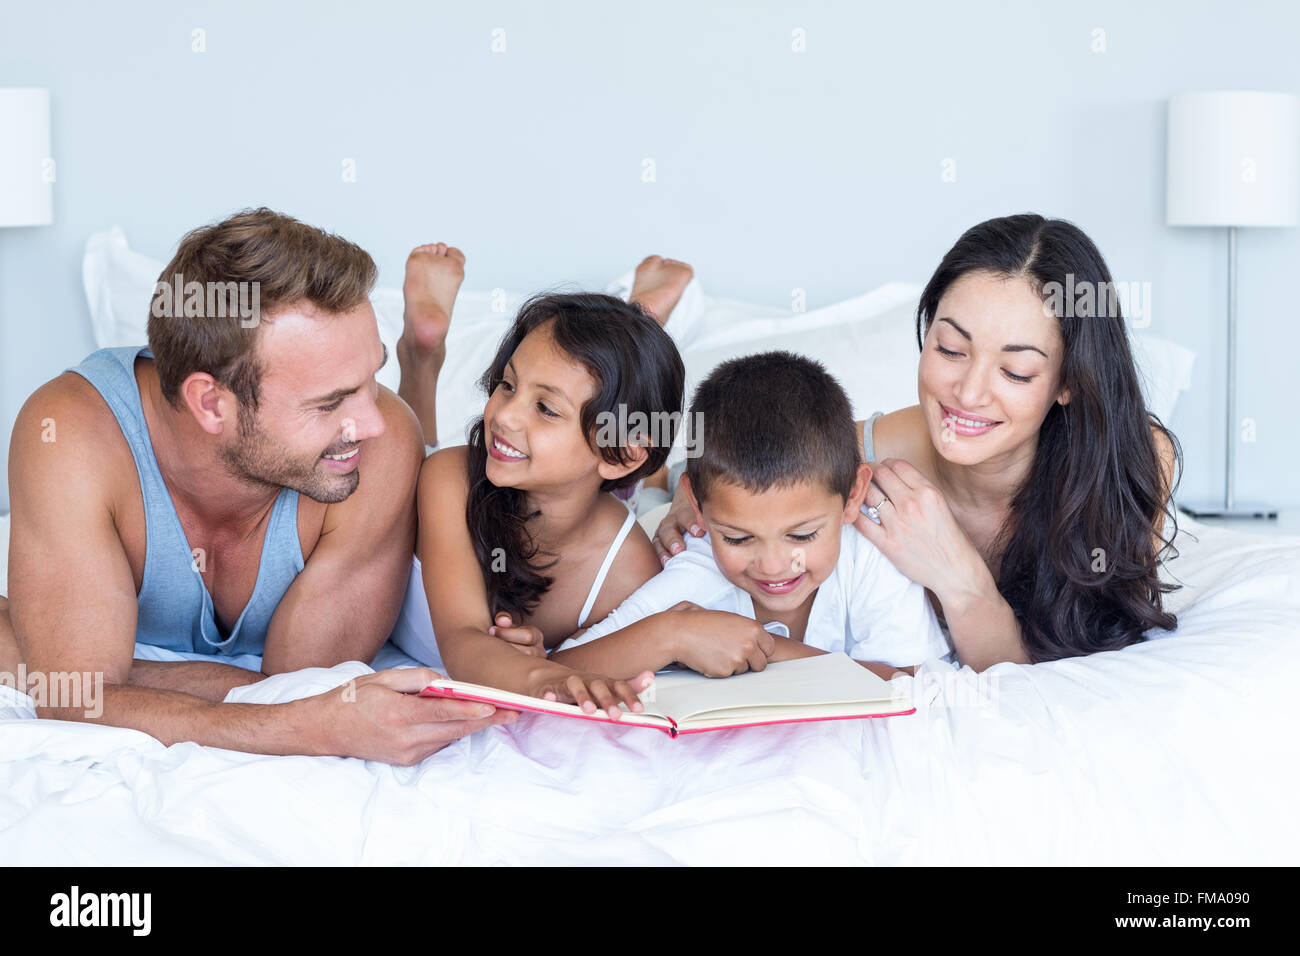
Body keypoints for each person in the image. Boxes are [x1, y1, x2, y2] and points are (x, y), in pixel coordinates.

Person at [0, 208, 514, 764]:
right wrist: (300, 727)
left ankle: (420, 363)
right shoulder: (69, 435)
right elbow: (80, 704)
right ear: (210, 403)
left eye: (371, 379)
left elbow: (295, 683)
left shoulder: (384, 448)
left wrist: (80, 669)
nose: (372, 423)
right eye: (330, 401)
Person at [654, 214, 1180, 673]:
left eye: (1016, 371)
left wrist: (959, 577)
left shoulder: (1134, 462)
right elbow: (751, 465)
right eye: (950, 349)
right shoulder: (879, 452)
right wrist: (686, 493)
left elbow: (1042, 677)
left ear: (1068, 381)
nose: (969, 394)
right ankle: (647, 317)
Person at [550, 351, 950, 681]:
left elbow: (910, 682)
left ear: (852, 496)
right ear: (700, 509)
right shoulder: (696, 566)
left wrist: (770, 649)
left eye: (803, 535)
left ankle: (664, 480)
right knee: (655, 513)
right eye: (739, 539)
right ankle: (658, 483)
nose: (774, 566)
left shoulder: (869, 550)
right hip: (671, 525)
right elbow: (558, 668)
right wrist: (673, 634)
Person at [405, 289, 689, 719]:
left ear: (623, 452)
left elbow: (592, 658)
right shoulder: (451, 479)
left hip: (611, 475)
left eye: (545, 408)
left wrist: (533, 661)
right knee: (414, 446)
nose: (505, 416)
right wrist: (538, 676)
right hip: (433, 472)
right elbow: (463, 642)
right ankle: (420, 359)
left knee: (652, 492)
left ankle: (642, 316)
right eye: (507, 384)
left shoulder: (627, 570)